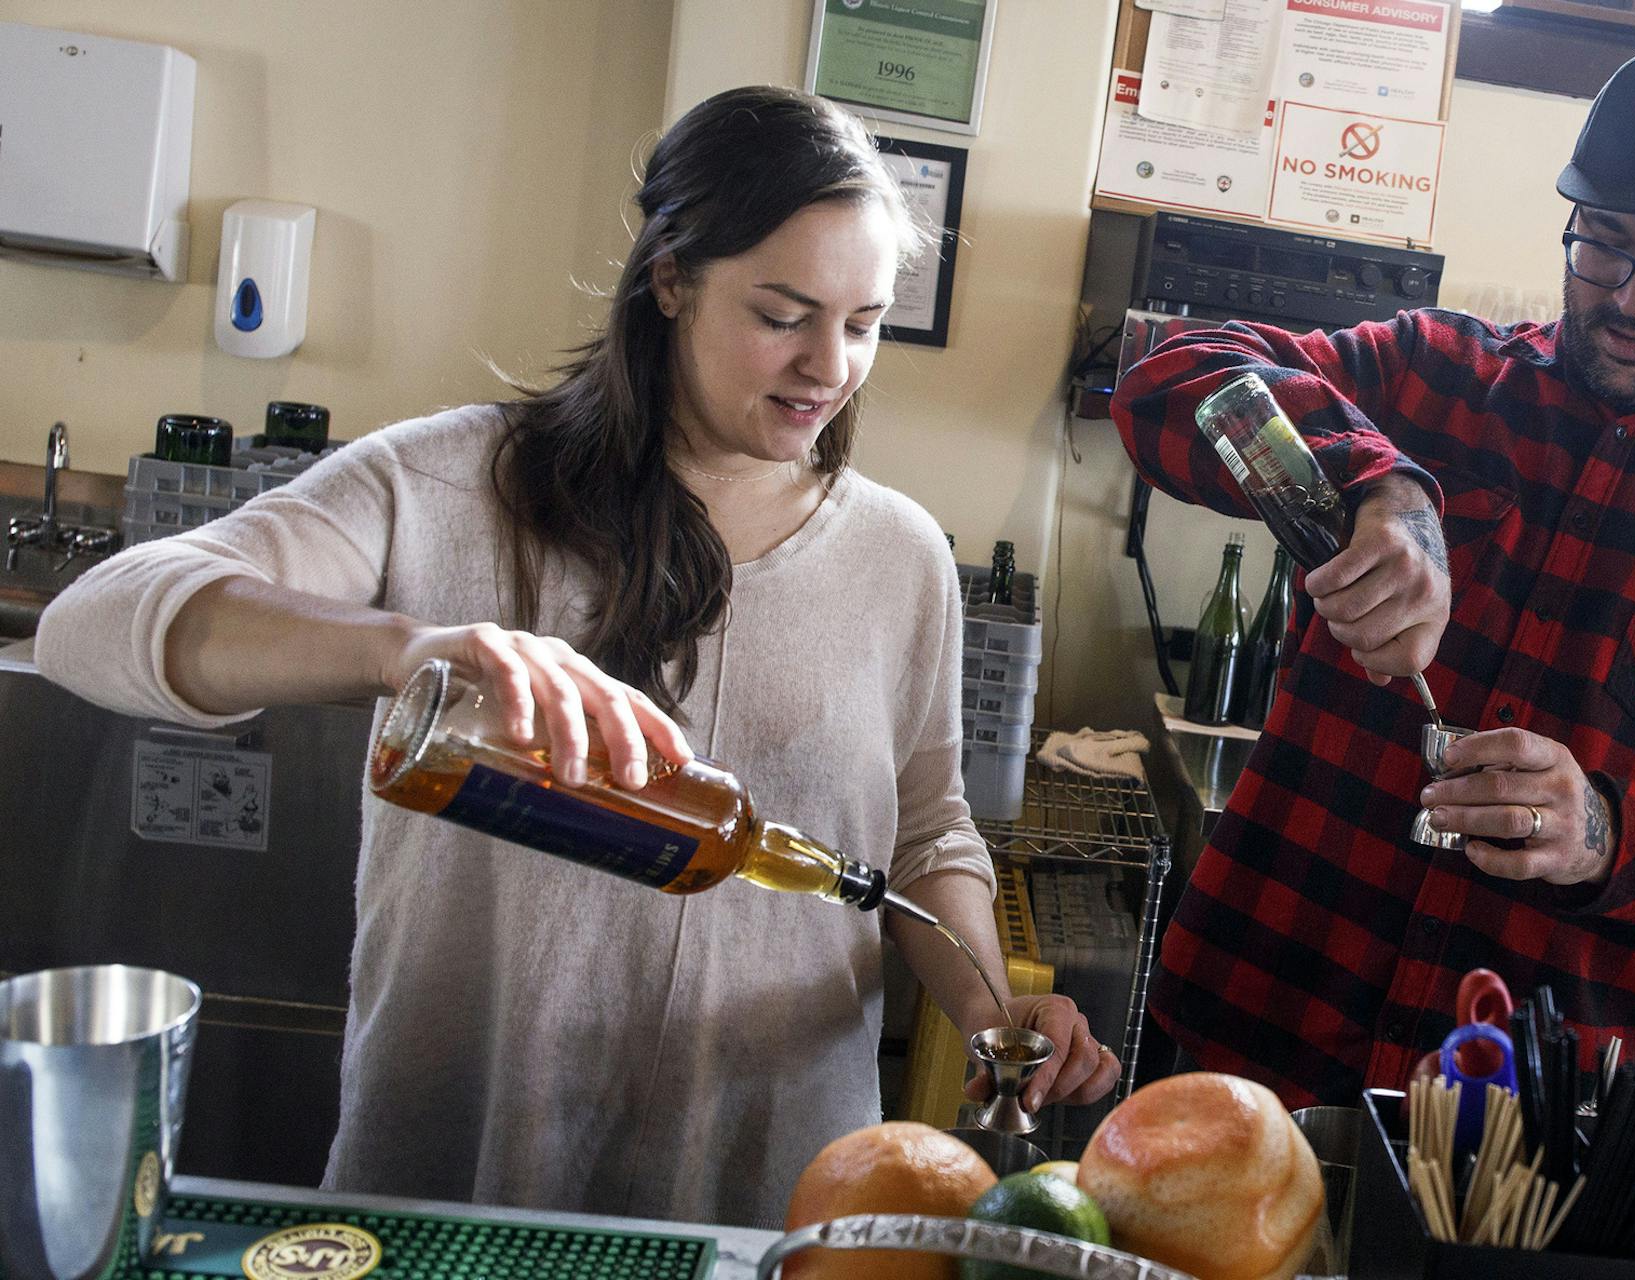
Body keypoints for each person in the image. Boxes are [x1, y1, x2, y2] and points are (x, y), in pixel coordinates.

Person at [36, 85, 1116, 1226]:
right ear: (669, 282)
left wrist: (994, 1006)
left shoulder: (899, 556)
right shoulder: (453, 484)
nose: (826, 366)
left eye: (860, 324)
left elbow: (923, 828)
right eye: (783, 314)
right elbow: (96, 620)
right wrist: (404, 648)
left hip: (769, 1180)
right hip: (461, 1173)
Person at [1113, 36, 1635, 1106]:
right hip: (1255, 1018)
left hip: (1527, 1110)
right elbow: (1170, 377)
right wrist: (1378, 480)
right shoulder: (1432, 377)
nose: (1633, 296)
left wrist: (1608, 833)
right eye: (1604, 245)